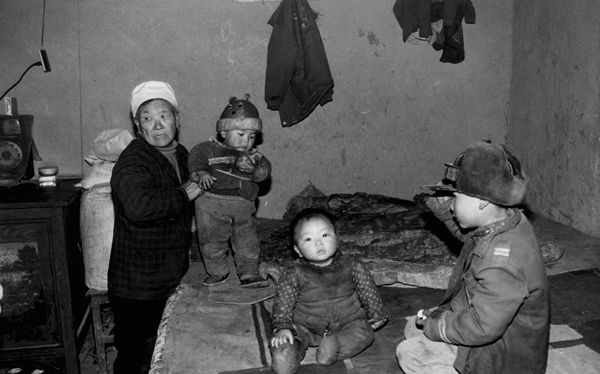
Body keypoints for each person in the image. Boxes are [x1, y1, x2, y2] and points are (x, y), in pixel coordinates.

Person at [396, 140, 550, 374]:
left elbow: (482, 327)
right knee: (414, 327)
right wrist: (443, 210)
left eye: (455, 197)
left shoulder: (501, 262)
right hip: (493, 332)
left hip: (502, 358)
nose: (451, 206)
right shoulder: (506, 219)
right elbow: (471, 238)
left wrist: (438, 327)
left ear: (482, 202)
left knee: (410, 354)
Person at [108, 81, 203, 374]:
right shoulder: (133, 161)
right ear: (138, 127)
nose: (158, 125)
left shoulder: (182, 154)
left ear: (177, 120)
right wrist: (184, 194)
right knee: (136, 357)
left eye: (164, 115)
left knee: (167, 353)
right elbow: (139, 207)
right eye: (147, 118)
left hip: (170, 274)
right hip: (139, 284)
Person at [269, 208, 388, 374]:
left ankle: (335, 347)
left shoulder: (353, 265)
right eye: (309, 239)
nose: (319, 243)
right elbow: (283, 303)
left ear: (336, 238)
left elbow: (368, 290)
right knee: (284, 338)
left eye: (325, 235)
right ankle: (288, 354)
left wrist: (376, 314)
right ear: (297, 250)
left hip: (349, 322)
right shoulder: (293, 273)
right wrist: (282, 327)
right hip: (305, 326)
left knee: (364, 332)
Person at [188, 94, 271, 288]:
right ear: (224, 132)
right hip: (210, 204)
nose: (246, 141)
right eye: (240, 134)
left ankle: (249, 272)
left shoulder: (254, 156)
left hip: (242, 205)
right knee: (211, 241)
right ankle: (217, 272)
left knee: (247, 241)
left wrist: (254, 170)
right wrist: (201, 173)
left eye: (251, 137)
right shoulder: (209, 149)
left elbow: (265, 172)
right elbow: (196, 158)